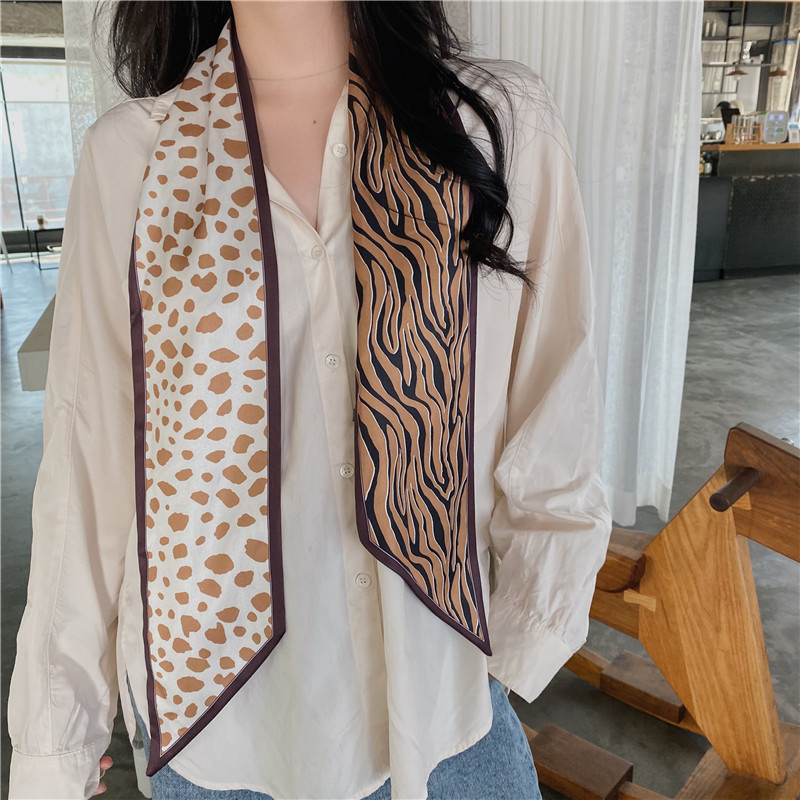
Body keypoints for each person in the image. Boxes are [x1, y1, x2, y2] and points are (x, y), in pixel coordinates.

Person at [7, 2, 613, 799]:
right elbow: (90, 460)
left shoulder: (493, 123)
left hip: (447, 717)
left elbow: (555, 402)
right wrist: (56, 738)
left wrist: (531, 624)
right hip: (221, 736)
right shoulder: (131, 159)